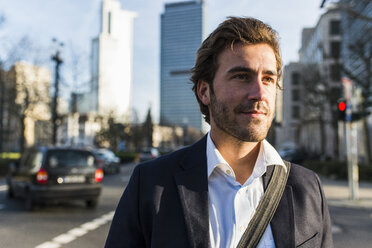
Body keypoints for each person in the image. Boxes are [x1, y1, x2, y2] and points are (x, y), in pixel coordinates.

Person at [105, 17, 333, 248]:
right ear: (204, 92)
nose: (259, 93)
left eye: (268, 79)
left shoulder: (308, 187)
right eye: (242, 77)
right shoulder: (151, 184)